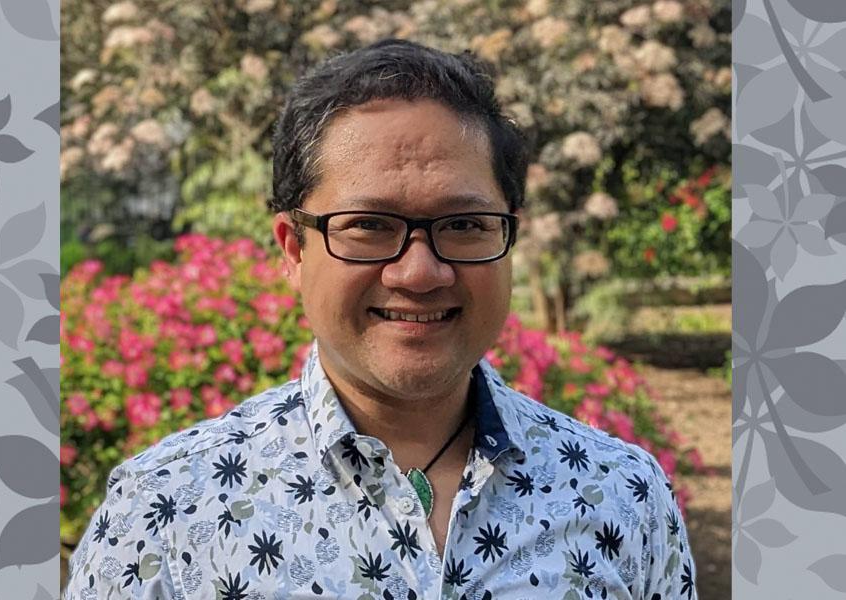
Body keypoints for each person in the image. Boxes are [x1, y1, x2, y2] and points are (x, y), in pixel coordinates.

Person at [64, 39, 696, 600]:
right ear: (293, 247)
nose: (419, 272)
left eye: (464, 225)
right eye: (368, 225)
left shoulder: (621, 494)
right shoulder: (166, 509)